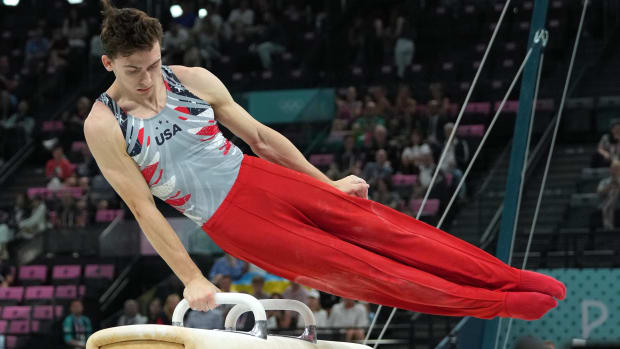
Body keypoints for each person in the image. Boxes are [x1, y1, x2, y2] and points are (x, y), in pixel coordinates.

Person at [84, 1, 565, 323]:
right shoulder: (104, 126)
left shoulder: (190, 79)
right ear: (109, 64)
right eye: (134, 71)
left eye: (152, 64)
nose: (148, 78)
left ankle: (511, 277)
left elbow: (259, 137)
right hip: (230, 220)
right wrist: (192, 278)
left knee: (391, 230)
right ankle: (499, 303)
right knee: (365, 271)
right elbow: (145, 209)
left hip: (260, 177)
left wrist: (326, 185)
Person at [597, 160, 620, 230]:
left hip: (617, 203)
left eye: (617, 169)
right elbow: (599, 192)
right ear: (610, 170)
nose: (615, 171)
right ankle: (607, 225)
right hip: (606, 202)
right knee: (607, 204)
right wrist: (609, 186)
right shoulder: (604, 181)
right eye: (613, 169)